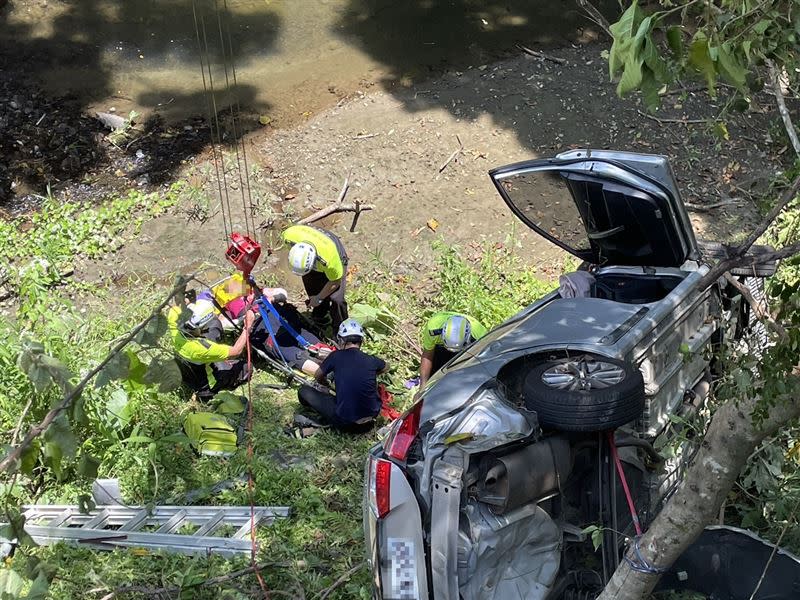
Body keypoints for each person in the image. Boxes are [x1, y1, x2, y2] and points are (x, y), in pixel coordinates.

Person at [296, 318, 389, 433]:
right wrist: (373, 373)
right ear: (361, 341)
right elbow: (386, 367)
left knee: (304, 391)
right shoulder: (371, 359)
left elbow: (317, 375)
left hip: (346, 424)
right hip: (371, 420)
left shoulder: (336, 356)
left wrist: (325, 384)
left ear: (341, 340)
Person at [167, 298, 255, 401]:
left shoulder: (174, 317)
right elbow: (236, 351)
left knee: (214, 323)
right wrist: (247, 327)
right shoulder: (201, 349)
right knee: (246, 367)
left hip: (186, 368)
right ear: (197, 328)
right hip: (205, 381)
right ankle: (208, 391)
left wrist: (189, 302)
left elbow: (178, 302)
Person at [282, 224, 349, 333]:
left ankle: (342, 329)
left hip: (330, 247)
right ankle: (320, 314)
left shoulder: (330, 259)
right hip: (313, 239)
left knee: (337, 299)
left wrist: (319, 297)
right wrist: (316, 297)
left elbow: (335, 282)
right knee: (311, 285)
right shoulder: (288, 237)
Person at [419, 312, 487, 388]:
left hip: (467, 351)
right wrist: (423, 386)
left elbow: (481, 364)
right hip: (441, 348)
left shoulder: (480, 336)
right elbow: (427, 356)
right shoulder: (433, 328)